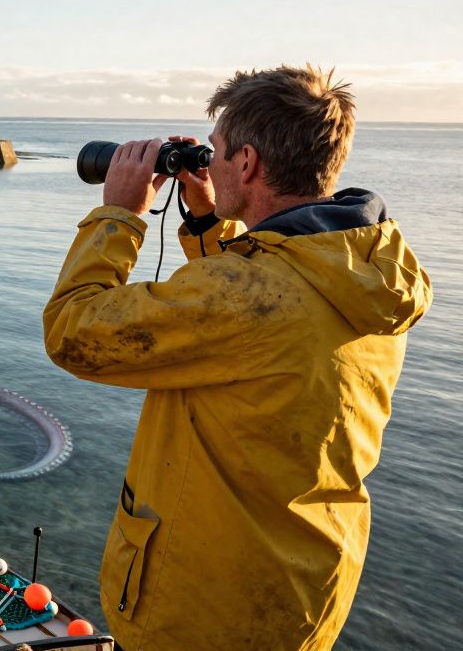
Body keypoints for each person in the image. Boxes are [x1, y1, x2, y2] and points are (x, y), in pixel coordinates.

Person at [42, 65, 431, 650]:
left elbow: (73, 332)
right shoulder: (361, 269)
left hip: (200, 608)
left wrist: (119, 215)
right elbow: (246, 318)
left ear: (247, 164)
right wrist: (205, 219)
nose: (210, 163)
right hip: (298, 591)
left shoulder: (244, 298)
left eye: (217, 152)